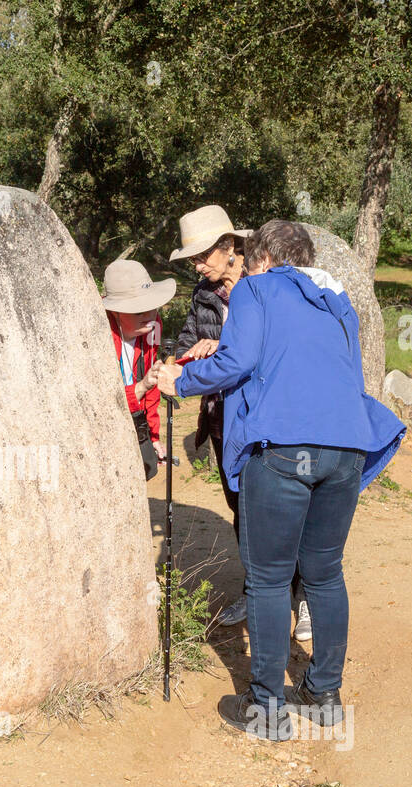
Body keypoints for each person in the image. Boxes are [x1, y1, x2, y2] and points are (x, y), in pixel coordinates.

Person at [148, 220, 405, 741]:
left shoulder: (255, 289)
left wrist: (182, 379)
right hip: (347, 448)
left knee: (267, 578)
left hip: (284, 448)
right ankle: (324, 693)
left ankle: (266, 708)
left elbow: (241, 361)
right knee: (325, 573)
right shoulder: (337, 298)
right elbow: (343, 373)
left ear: (261, 258)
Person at [171, 205, 312, 641]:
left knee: (290, 508)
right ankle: (257, 593)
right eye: (192, 258)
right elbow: (187, 341)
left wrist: (226, 349)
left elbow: (277, 345)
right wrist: (185, 357)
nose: (196, 265)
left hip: (269, 415)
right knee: (241, 507)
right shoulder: (203, 295)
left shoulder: (267, 285)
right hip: (222, 416)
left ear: (230, 247)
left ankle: (303, 598)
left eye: (202, 255)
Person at [102, 259, 175, 479]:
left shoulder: (154, 326)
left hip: (138, 420)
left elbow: (151, 386)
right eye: (138, 311)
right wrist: (139, 388)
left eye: (151, 307)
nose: (149, 316)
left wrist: (153, 435)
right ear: (114, 312)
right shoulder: (96, 334)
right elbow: (101, 400)